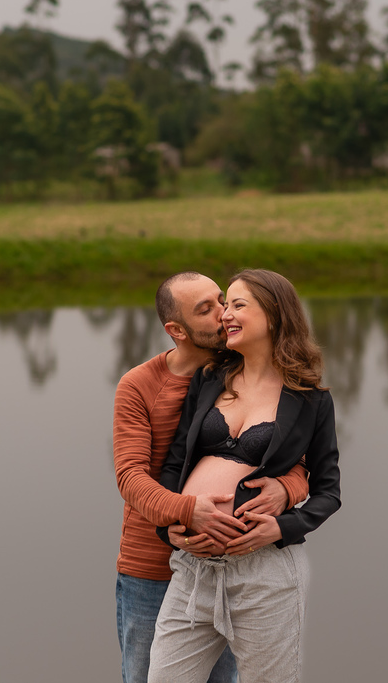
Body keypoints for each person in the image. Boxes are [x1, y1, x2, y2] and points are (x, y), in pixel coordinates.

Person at [113, 272, 311, 683]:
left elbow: (298, 461)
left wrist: (284, 489)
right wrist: (187, 515)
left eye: (222, 300)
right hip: (151, 570)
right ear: (176, 330)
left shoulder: (245, 372)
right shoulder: (139, 385)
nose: (225, 314)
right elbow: (130, 477)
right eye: (207, 309)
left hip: (234, 565)